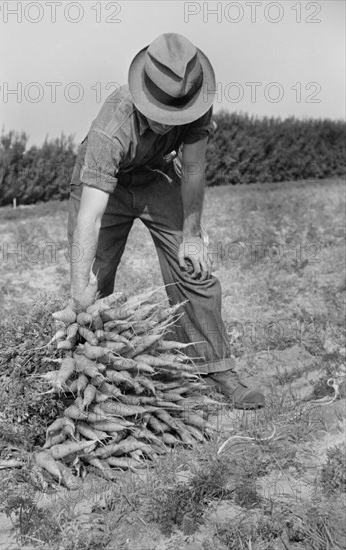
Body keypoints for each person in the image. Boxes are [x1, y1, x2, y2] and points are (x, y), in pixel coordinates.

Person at [66, 33, 265, 409]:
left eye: (174, 113)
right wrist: (80, 285)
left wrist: (192, 234)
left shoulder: (198, 105)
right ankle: (90, 377)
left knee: (193, 265)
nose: (165, 122)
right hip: (106, 186)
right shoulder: (112, 131)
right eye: (158, 113)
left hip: (156, 175)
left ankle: (216, 369)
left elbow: (192, 168)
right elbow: (90, 218)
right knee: (93, 281)